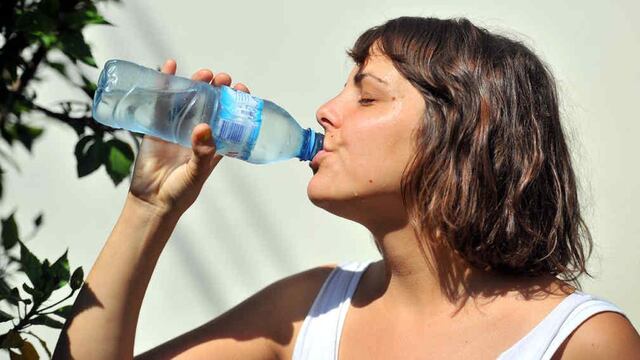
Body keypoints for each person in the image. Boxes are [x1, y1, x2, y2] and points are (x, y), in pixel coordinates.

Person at [53, 16, 640, 359]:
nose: (326, 111)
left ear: (466, 131)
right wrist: (149, 206)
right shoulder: (310, 310)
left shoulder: (579, 342)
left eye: (367, 95)